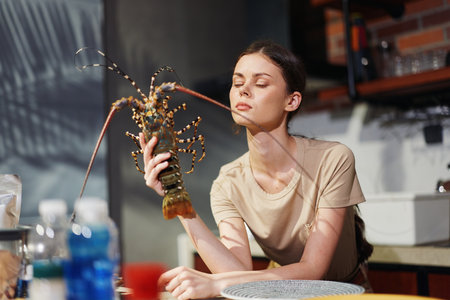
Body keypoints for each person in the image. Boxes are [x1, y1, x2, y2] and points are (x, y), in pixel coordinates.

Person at [139, 40, 372, 300]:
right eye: (238, 83)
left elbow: (313, 269)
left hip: (346, 292)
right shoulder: (228, 182)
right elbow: (236, 270)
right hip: (281, 291)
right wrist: (177, 199)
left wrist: (215, 284)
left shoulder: (333, 159)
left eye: (260, 84)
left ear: (292, 101)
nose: (243, 91)